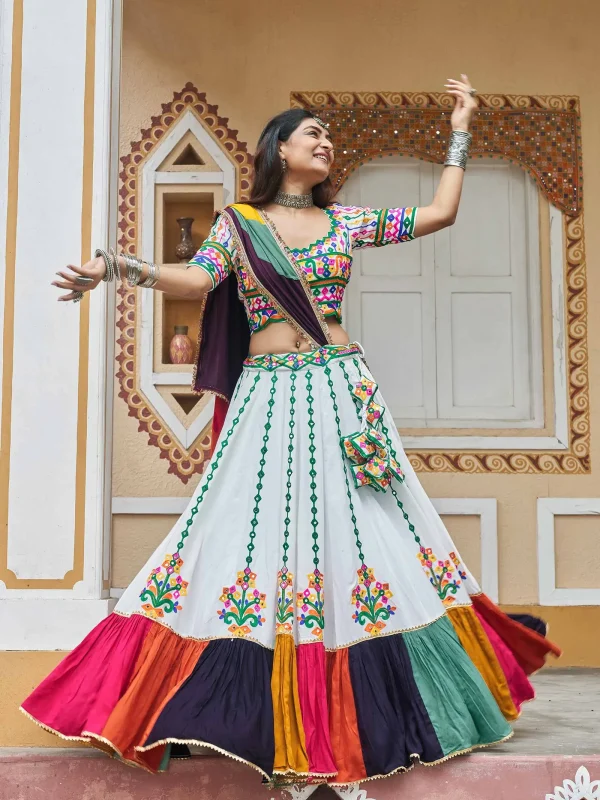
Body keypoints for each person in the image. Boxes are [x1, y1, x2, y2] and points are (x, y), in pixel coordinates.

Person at [24, 75, 560, 790]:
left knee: (370, 536)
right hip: (268, 399)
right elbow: (196, 280)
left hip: (342, 392)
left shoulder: (346, 224)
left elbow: (439, 214)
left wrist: (461, 129)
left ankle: (383, 707)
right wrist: (113, 268)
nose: (325, 143)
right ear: (280, 148)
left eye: (328, 138)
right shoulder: (240, 225)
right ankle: (228, 704)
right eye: (313, 134)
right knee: (233, 533)